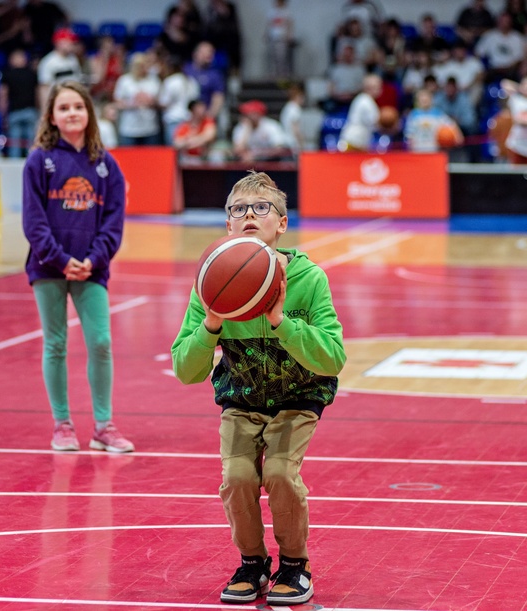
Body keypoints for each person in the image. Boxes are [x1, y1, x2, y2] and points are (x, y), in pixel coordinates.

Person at [170, 171, 346, 606]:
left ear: (281, 223)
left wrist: (282, 323)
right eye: (238, 210)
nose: (249, 215)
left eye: (261, 208)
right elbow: (185, 370)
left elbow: (333, 357)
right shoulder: (212, 283)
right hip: (241, 398)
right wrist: (211, 324)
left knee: (281, 474)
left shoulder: (310, 279)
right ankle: (252, 562)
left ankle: (294, 564)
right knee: (236, 477)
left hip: (298, 398)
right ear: (228, 226)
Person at [21, 79, 134, 454]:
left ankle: (103, 426)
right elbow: (33, 221)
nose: (72, 113)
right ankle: (62, 424)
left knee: (100, 342)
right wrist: (59, 258)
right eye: (64, 107)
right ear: (52, 116)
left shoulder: (106, 165)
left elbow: (114, 221)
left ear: (89, 114)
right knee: (55, 343)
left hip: (92, 268)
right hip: (48, 266)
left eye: (78, 107)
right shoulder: (39, 160)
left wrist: (93, 259)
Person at [114, 52, 162, 146]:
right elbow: (117, 102)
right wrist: (131, 104)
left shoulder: (154, 81)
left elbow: (160, 102)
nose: (142, 68)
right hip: (129, 128)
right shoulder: (124, 81)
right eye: (139, 65)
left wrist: (151, 102)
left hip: (150, 127)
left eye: (144, 65)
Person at [0, 48, 39, 159]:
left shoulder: (7, 75)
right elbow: (38, 95)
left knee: (15, 144)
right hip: (29, 111)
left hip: (15, 112)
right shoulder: (32, 74)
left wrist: (3, 114)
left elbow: (3, 96)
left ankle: (15, 169)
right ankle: (32, 165)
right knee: (30, 143)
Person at [37, 27, 85, 109]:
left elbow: (77, 80)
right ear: (59, 43)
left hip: (72, 100)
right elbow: (43, 88)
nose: (72, 44)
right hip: (56, 102)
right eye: (69, 41)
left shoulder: (73, 59)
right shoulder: (48, 62)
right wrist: (45, 110)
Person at [158, 56, 200, 145]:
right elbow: (195, 101)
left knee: (174, 150)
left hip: (174, 120)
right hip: (188, 120)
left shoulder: (170, 81)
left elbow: (164, 103)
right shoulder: (191, 81)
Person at [338, 73, 381, 151]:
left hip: (358, 143)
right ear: (369, 87)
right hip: (353, 143)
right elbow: (376, 123)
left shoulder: (362, 98)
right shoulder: (366, 101)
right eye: (377, 87)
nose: (380, 90)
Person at [265, 0, 295, 80]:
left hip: (282, 37)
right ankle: (274, 73)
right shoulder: (272, 11)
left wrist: (290, 36)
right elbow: (269, 24)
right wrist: (267, 34)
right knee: (273, 56)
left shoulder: (286, 11)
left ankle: (282, 74)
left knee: (281, 57)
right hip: (273, 36)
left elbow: (290, 24)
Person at [279, 82, 306, 154]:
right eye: (303, 97)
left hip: (286, 141)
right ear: (299, 96)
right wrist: (301, 144)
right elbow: (295, 129)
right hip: (293, 143)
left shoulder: (287, 107)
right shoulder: (295, 109)